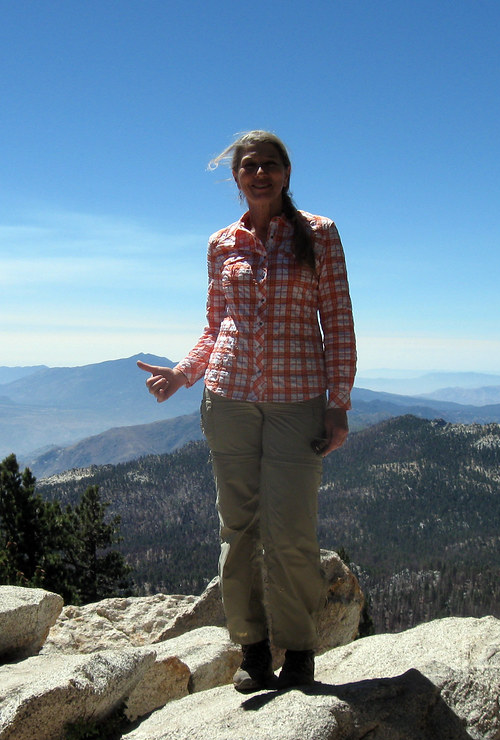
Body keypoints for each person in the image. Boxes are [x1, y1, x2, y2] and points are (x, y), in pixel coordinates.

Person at [137, 130, 355, 692]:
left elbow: (339, 323)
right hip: (228, 399)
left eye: (270, 165)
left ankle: (300, 651)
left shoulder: (320, 236)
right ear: (236, 177)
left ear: (286, 172)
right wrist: (184, 374)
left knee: (293, 531)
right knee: (238, 531)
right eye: (249, 166)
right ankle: (253, 649)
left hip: (296, 402)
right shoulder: (220, 245)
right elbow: (215, 327)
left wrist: (339, 404)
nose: (259, 174)